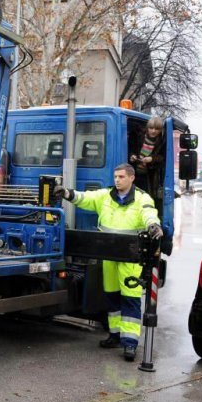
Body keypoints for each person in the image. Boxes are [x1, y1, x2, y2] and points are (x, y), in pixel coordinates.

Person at [59, 163, 163, 361]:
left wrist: (154, 225)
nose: (117, 180)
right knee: (111, 297)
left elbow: (149, 214)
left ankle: (130, 343)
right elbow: (85, 198)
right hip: (109, 256)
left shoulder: (142, 199)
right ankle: (114, 335)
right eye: (115, 177)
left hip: (130, 257)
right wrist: (67, 193)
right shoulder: (105, 196)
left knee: (130, 299)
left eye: (121, 177)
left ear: (132, 178)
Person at [129, 115, 165, 196]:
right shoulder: (138, 136)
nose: (153, 131)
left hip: (148, 175)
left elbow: (162, 158)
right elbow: (130, 149)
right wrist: (132, 156)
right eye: (151, 128)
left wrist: (151, 159)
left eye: (157, 129)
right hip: (133, 172)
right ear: (147, 128)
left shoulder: (161, 142)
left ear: (160, 130)